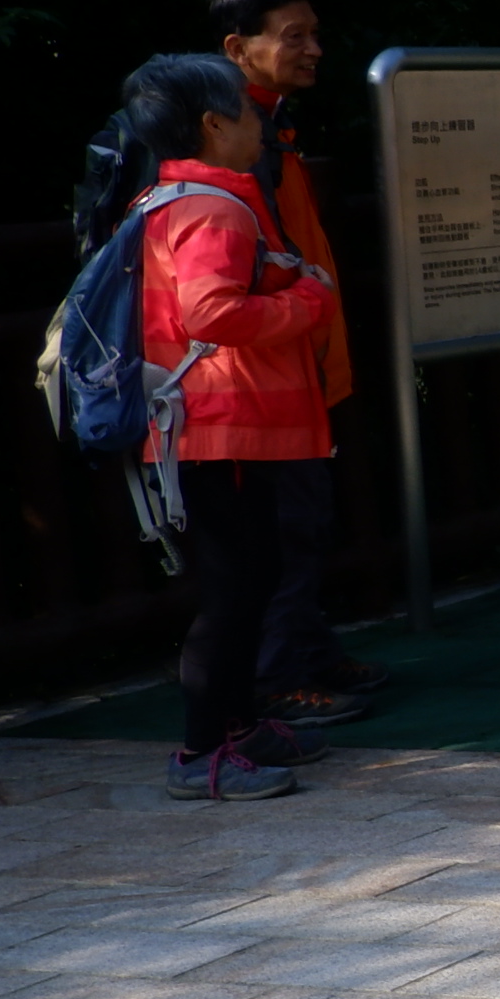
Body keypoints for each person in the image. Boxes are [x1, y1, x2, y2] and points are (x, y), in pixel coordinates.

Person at [123, 55, 340, 803]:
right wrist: (309, 300)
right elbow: (210, 312)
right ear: (214, 124)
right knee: (233, 589)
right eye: (248, 113)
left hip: (204, 424)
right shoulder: (213, 209)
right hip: (219, 426)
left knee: (249, 579)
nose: (261, 126)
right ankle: (201, 752)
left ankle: (238, 729)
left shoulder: (167, 197)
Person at [205, 0, 379, 729]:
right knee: (284, 527)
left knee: (303, 519)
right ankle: (277, 678)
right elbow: (217, 294)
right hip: (258, 374)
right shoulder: (226, 137)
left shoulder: (269, 126)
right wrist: (306, 306)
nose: (313, 49)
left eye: (315, 33)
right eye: (293, 35)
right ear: (238, 47)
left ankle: (305, 650)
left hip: (294, 363)